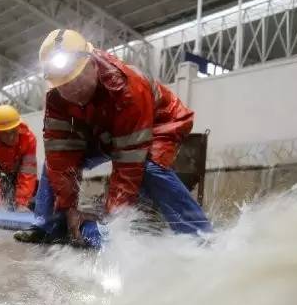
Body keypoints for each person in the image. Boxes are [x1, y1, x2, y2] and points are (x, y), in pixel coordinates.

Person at [14, 29, 211, 247]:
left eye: (77, 78)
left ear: (93, 63)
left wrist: (114, 224)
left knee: (148, 168)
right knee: (53, 163)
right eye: (64, 85)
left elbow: (128, 164)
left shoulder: (127, 87)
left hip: (158, 123)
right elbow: (61, 157)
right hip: (104, 130)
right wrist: (69, 209)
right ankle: (49, 227)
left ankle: (200, 237)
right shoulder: (56, 100)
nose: (73, 89)